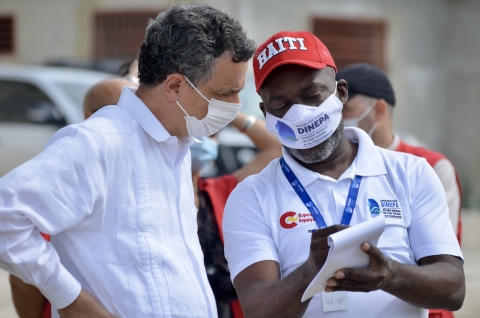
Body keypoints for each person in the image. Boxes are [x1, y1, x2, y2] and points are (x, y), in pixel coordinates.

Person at [0, 3, 255, 318]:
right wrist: (71, 300)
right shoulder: (100, 142)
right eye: (225, 94)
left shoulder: (177, 145)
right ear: (175, 86)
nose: (236, 105)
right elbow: (5, 216)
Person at [222, 30, 465, 317]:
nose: (300, 114)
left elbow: (453, 289)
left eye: (312, 96)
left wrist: (390, 275)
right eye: (281, 105)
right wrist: (312, 270)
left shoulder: (410, 173)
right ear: (266, 113)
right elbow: (257, 309)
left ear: (340, 93)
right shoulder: (251, 196)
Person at [8, 76, 135, 318]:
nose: (133, 121)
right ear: (90, 116)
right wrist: (72, 301)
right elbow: (22, 276)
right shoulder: (75, 171)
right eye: (119, 111)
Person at [337, 63, 462, 247]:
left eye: (345, 111)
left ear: (379, 111)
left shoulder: (431, 167)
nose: (338, 119)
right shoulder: (334, 168)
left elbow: (442, 255)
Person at [194, 113, 282, 318]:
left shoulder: (220, 191)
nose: (202, 140)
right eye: (196, 132)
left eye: (211, 134)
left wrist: (227, 113)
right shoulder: (153, 197)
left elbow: (277, 148)